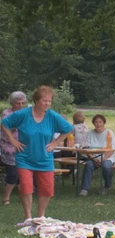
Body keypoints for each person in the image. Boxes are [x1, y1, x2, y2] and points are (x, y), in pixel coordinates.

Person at [1, 86, 73, 222]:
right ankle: (28, 217)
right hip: (24, 157)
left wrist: (55, 143)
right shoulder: (23, 114)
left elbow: (69, 128)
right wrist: (12, 140)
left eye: (49, 101)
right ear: (36, 100)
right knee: (26, 187)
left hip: (45, 158)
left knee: (47, 188)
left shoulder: (52, 116)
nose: (47, 103)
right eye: (44, 100)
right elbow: (4, 123)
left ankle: (41, 216)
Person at [79, 114, 115, 196]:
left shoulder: (109, 133)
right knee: (88, 165)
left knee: (106, 166)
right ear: (93, 123)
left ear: (104, 123)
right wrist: (94, 159)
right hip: (93, 157)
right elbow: (86, 149)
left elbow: (112, 149)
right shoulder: (90, 133)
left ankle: (107, 185)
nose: (98, 124)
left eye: (100, 122)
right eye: (96, 122)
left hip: (107, 157)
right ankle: (84, 189)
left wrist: (103, 159)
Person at [1, 91, 27, 206]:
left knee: (23, 173)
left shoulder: (25, 113)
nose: (21, 106)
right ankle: (6, 198)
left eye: (23, 103)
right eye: (18, 103)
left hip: (23, 147)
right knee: (12, 173)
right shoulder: (7, 113)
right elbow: (10, 127)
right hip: (8, 148)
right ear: (12, 103)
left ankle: (23, 197)